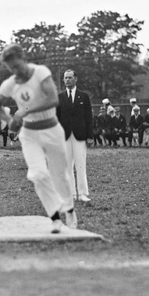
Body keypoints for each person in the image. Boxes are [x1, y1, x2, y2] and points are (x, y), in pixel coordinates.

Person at [0, 44, 76, 233]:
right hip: (29, 135)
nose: (16, 71)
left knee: (59, 174)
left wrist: (24, 111)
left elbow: (52, 99)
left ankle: (69, 208)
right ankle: (54, 217)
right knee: (38, 174)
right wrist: (8, 120)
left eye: (17, 66)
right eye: (11, 69)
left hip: (52, 130)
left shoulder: (40, 73)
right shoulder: (10, 84)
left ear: (23, 58)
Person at [57, 69, 93, 203]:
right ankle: (70, 194)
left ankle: (82, 193)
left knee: (80, 164)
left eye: (70, 78)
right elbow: (56, 119)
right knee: (67, 166)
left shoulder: (83, 96)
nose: (67, 80)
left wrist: (90, 136)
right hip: (64, 136)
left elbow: (89, 117)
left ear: (76, 79)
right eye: (65, 78)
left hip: (80, 135)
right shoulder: (60, 98)